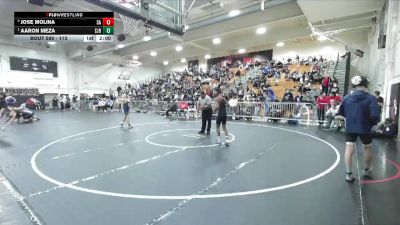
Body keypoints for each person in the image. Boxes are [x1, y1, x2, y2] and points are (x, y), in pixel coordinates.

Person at [337, 75, 380, 182]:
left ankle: (348, 173)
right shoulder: (371, 98)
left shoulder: (347, 98)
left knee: (349, 147)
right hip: (365, 127)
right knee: (367, 147)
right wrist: (372, 123)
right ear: (365, 84)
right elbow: (375, 115)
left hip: (350, 126)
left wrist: (349, 119)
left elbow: (340, 113)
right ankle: (366, 170)